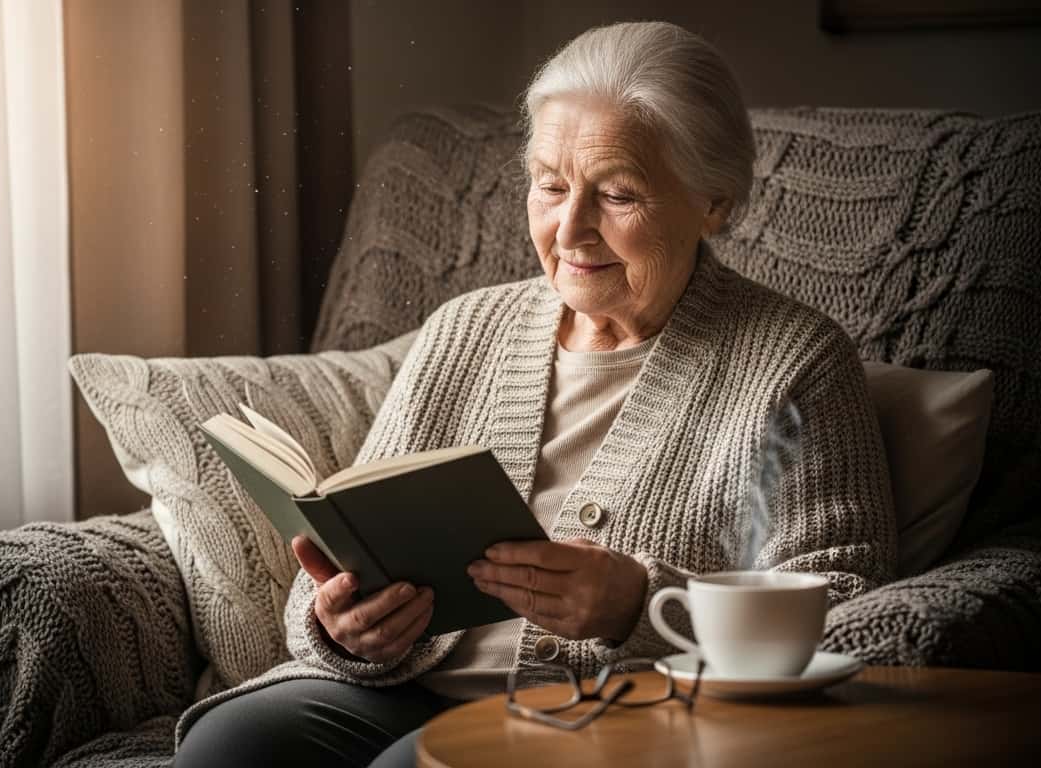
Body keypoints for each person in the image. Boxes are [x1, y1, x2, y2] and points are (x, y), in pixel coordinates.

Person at [174, 20, 894, 768]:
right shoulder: (465, 329)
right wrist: (340, 624)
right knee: (226, 746)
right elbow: (349, 541)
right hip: (402, 685)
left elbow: (851, 606)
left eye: (618, 194)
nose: (571, 228)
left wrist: (637, 606)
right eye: (550, 186)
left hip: (612, 709)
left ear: (713, 202)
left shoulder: (794, 362)